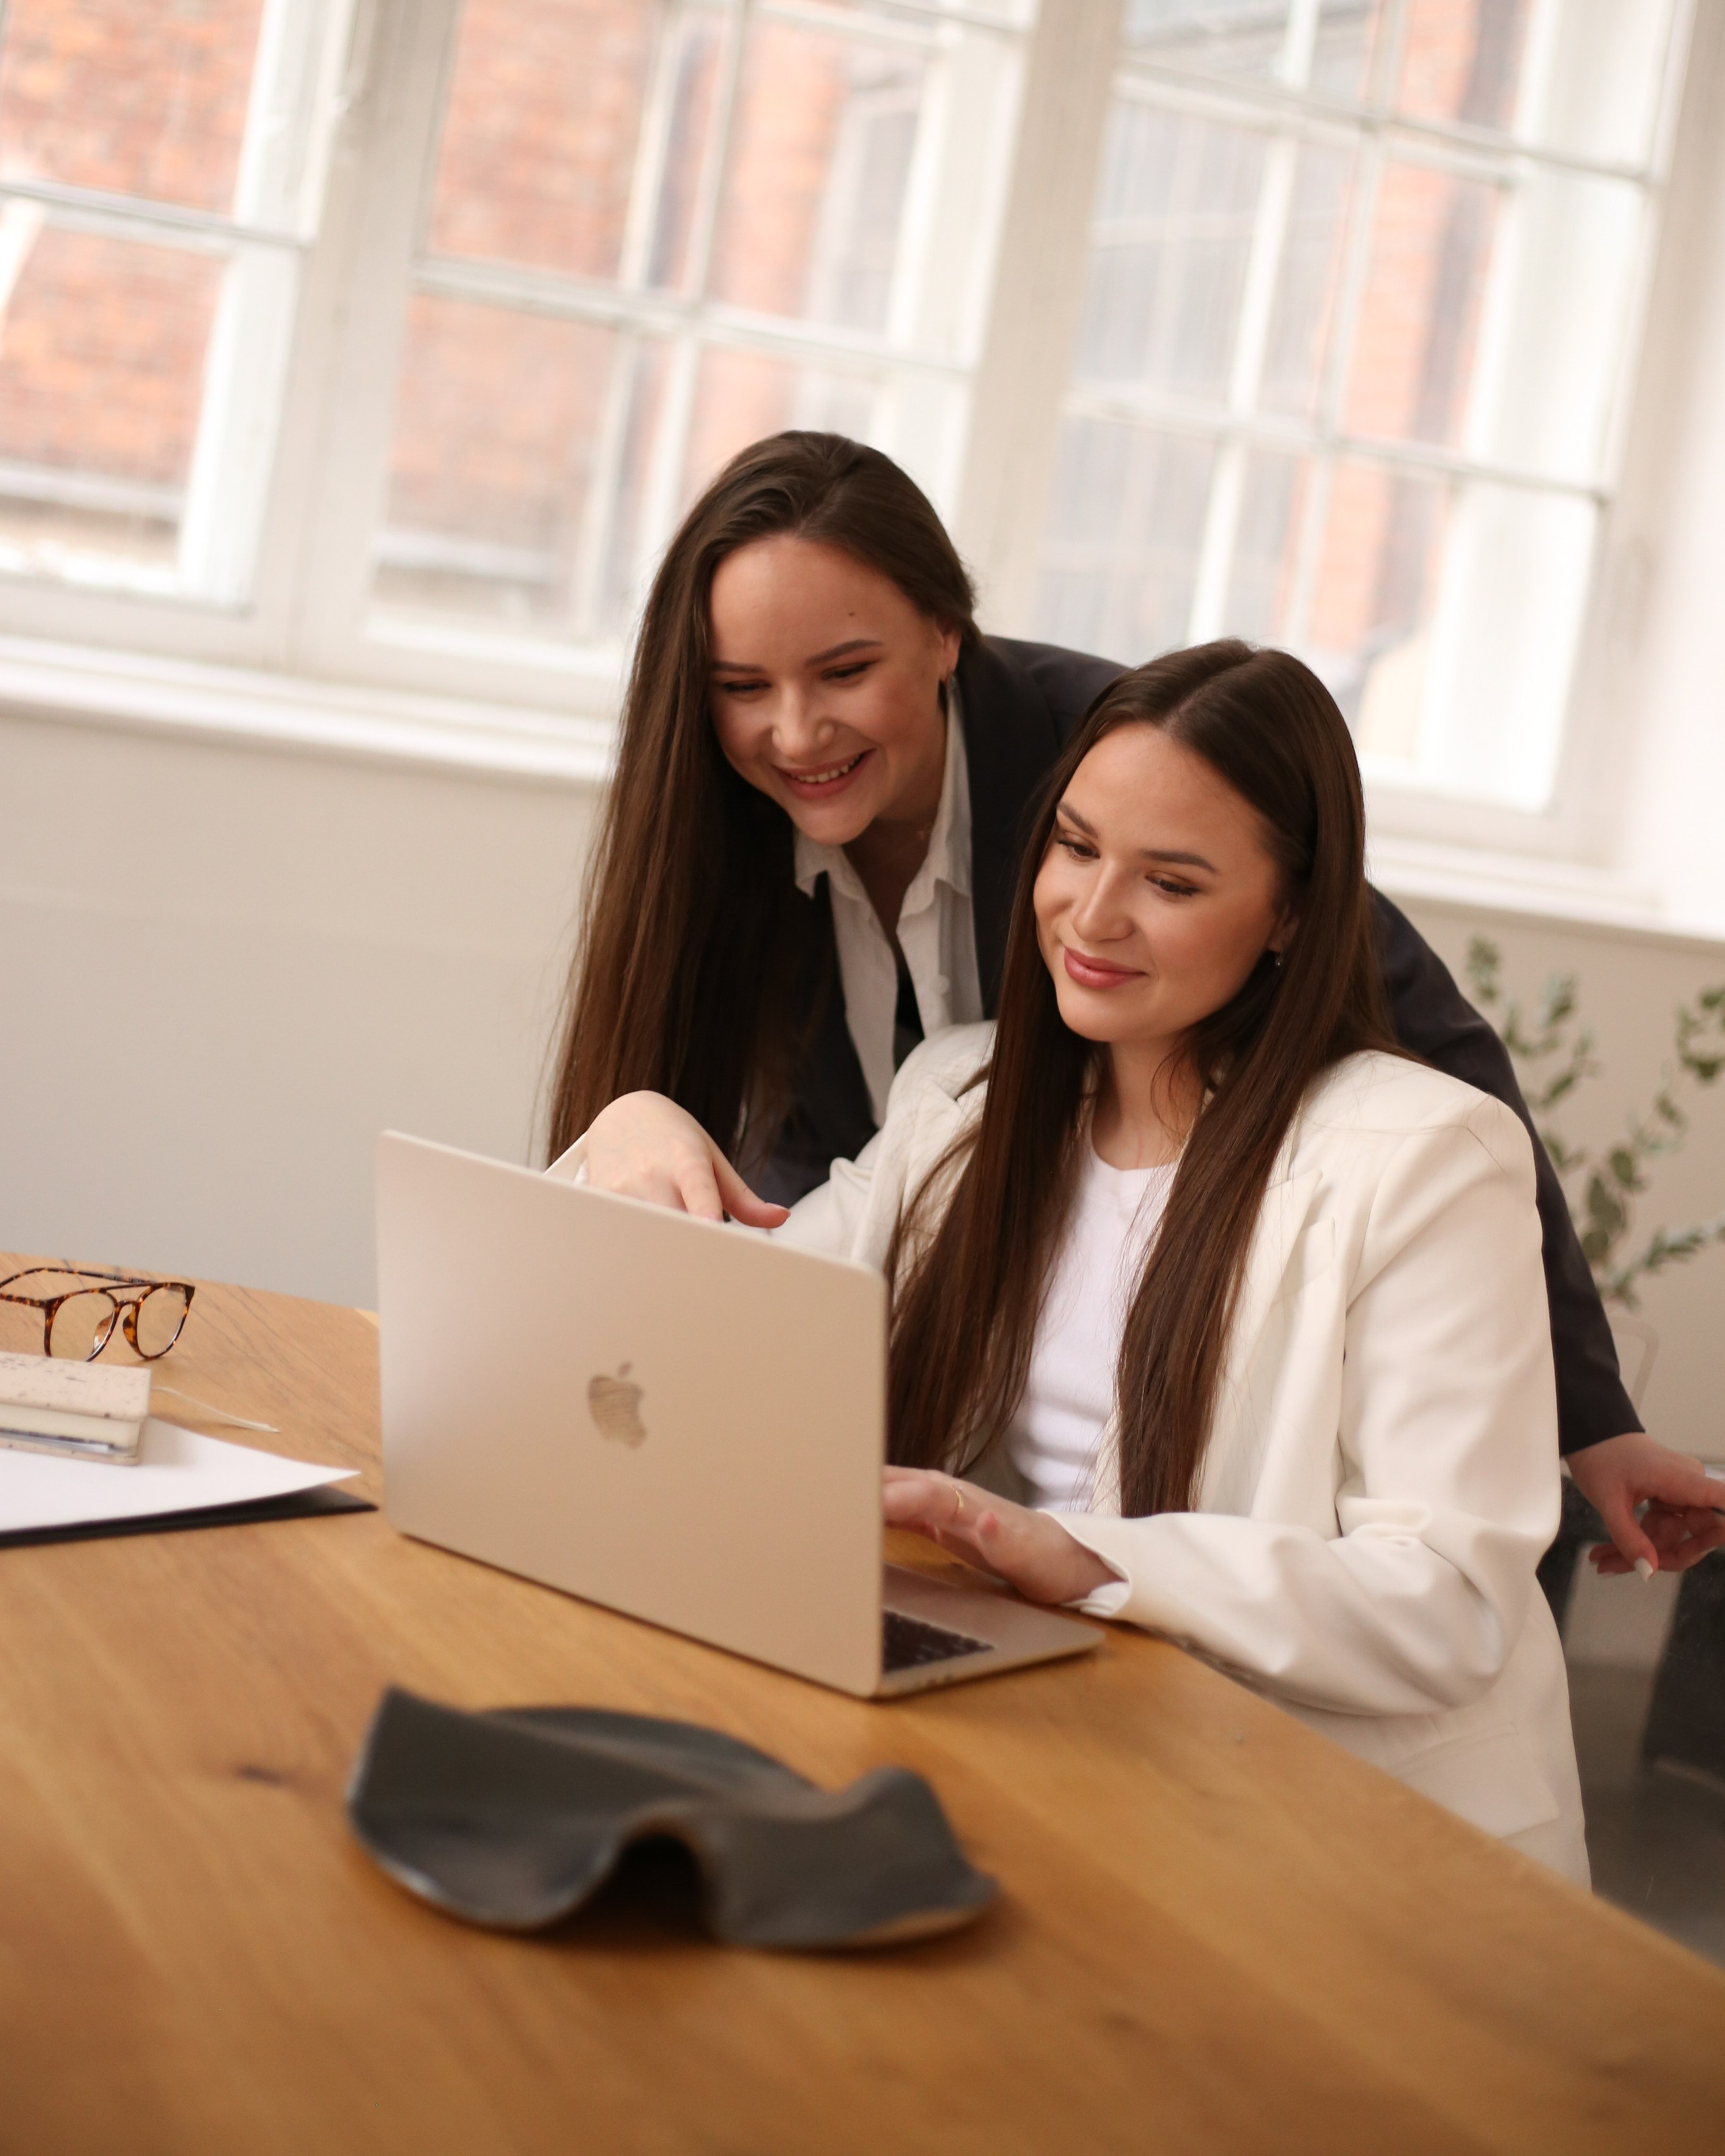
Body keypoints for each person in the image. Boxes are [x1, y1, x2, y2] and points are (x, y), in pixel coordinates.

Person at [548, 433, 1725, 1579]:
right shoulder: (730, 812)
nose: (796, 731)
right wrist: (633, 1126)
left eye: (847, 672)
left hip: (1179, 1287)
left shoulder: (1130, 766)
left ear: (949, 632)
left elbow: (1440, 1054)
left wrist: (1590, 1415)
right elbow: (834, 1169)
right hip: (929, 1273)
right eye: (744, 687)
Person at [566, 643, 1592, 1876]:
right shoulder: (963, 1097)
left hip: (1330, 1831)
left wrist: (1095, 1561)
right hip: (1059, 1748)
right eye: (1073, 846)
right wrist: (635, 1132)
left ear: (1293, 917)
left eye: (1171, 881)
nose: (1092, 916)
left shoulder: (1424, 1156)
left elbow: (1449, 1599)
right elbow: (733, 1319)